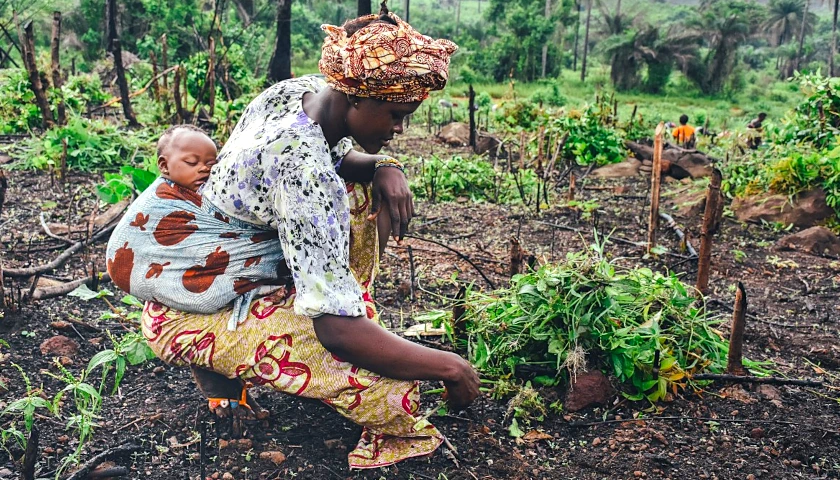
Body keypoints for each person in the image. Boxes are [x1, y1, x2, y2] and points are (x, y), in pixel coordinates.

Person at [106, 4, 479, 469]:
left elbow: (338, 158)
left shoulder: (299, 93)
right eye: (396, 115)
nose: (400, 129)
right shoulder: (302, 172)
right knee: (396, 394)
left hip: (217, 267)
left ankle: (315, 311)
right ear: (356, 98)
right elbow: (337, 332)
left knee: (363, 196)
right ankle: (220, 353)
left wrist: (385, 164)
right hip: (187, 310)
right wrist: (450, 367)